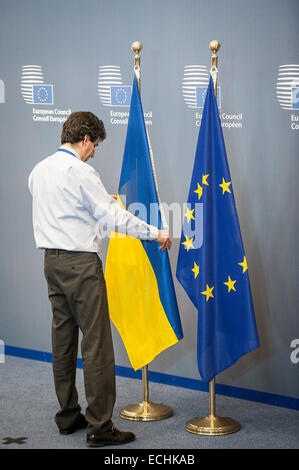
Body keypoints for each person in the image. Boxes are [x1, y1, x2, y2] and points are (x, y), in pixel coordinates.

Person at [28, 111, 172, 447]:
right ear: (87, 138)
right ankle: (100, 426)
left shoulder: (38, 171)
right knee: (96, 345)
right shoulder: (81, 171)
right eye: (95, 145)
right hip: (81, 265)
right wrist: (155, 234)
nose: (95, 152)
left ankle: (67, 416)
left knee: (62, 341)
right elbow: (114, 217)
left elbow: (61, 209)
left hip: (51, 262)